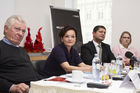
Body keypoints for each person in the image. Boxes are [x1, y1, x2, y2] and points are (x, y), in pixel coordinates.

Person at [0, 15, 42, 93]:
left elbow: (33, 73)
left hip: (35, 88)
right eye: (17, 29)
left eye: (23, 31)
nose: (21, 34)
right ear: (6, 29)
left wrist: (45, 81)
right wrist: (12, 87)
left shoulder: (22, 50)